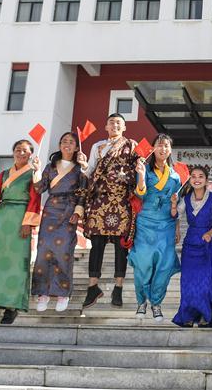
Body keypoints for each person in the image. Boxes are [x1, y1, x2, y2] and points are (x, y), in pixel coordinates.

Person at [0, 139, 41, 324]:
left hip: (21, 217)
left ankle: (11, 307)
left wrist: (28, 223)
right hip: (1, 219)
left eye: (25, 150)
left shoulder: (33, 173)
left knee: (16, 264)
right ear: (13, 152)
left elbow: (35, 199)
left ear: (31, 154)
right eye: (18, 150)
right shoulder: (4, 174)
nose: (21, 153)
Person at [79, 113, 138, 309]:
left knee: (121, 246)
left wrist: (127, 174)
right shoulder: (98, 146)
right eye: (111, 122)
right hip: (100, 199)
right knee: (97, 243)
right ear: (106, 126)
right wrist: (84, 166)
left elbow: (138, 172)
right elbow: (90, 171)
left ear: (125, 127)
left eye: (119, 123)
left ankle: (118, 288)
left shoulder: (132, 145)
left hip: (121, 200)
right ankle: (92, 287)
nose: (115, 125)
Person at [31, 132, 87, 313]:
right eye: (64, 141)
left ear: (76, 147)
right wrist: (37, 170)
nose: (67, 144)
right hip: (51, 209)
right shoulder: (51, 166)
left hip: (69, 210)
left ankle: (63, 293)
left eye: (71, 142)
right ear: (59, 145)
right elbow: (39, 188)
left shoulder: (80, 168)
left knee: (64, 252)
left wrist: (78, 211)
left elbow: (83, 192)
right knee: (44, 250)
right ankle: (43, 293)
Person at [129, 134, 183, 322]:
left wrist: (177, 227)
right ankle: (141, 301)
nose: (163, 149)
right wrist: (141, 176)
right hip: (146, 221)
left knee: (164, 265)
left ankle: (156, 303)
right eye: (159, 145)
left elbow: (176, 204)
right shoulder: (144, 169)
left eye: (166, 145)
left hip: (167, 224)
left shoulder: (176, 176)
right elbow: (140, 194)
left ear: (170, 150)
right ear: (153, 148)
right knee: (143, 263)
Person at [173, 166, 212, 328]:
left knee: (205, 280)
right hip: (190, 243)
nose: (197, 179)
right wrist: (173, 205)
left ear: (206, 180)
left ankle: (205, 315)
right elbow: (175, 215)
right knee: (188, 280)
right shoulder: (186, 199)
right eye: (193, 176)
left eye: (201, 176)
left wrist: (210, 233)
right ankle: (187, 315)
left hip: (208, 243)